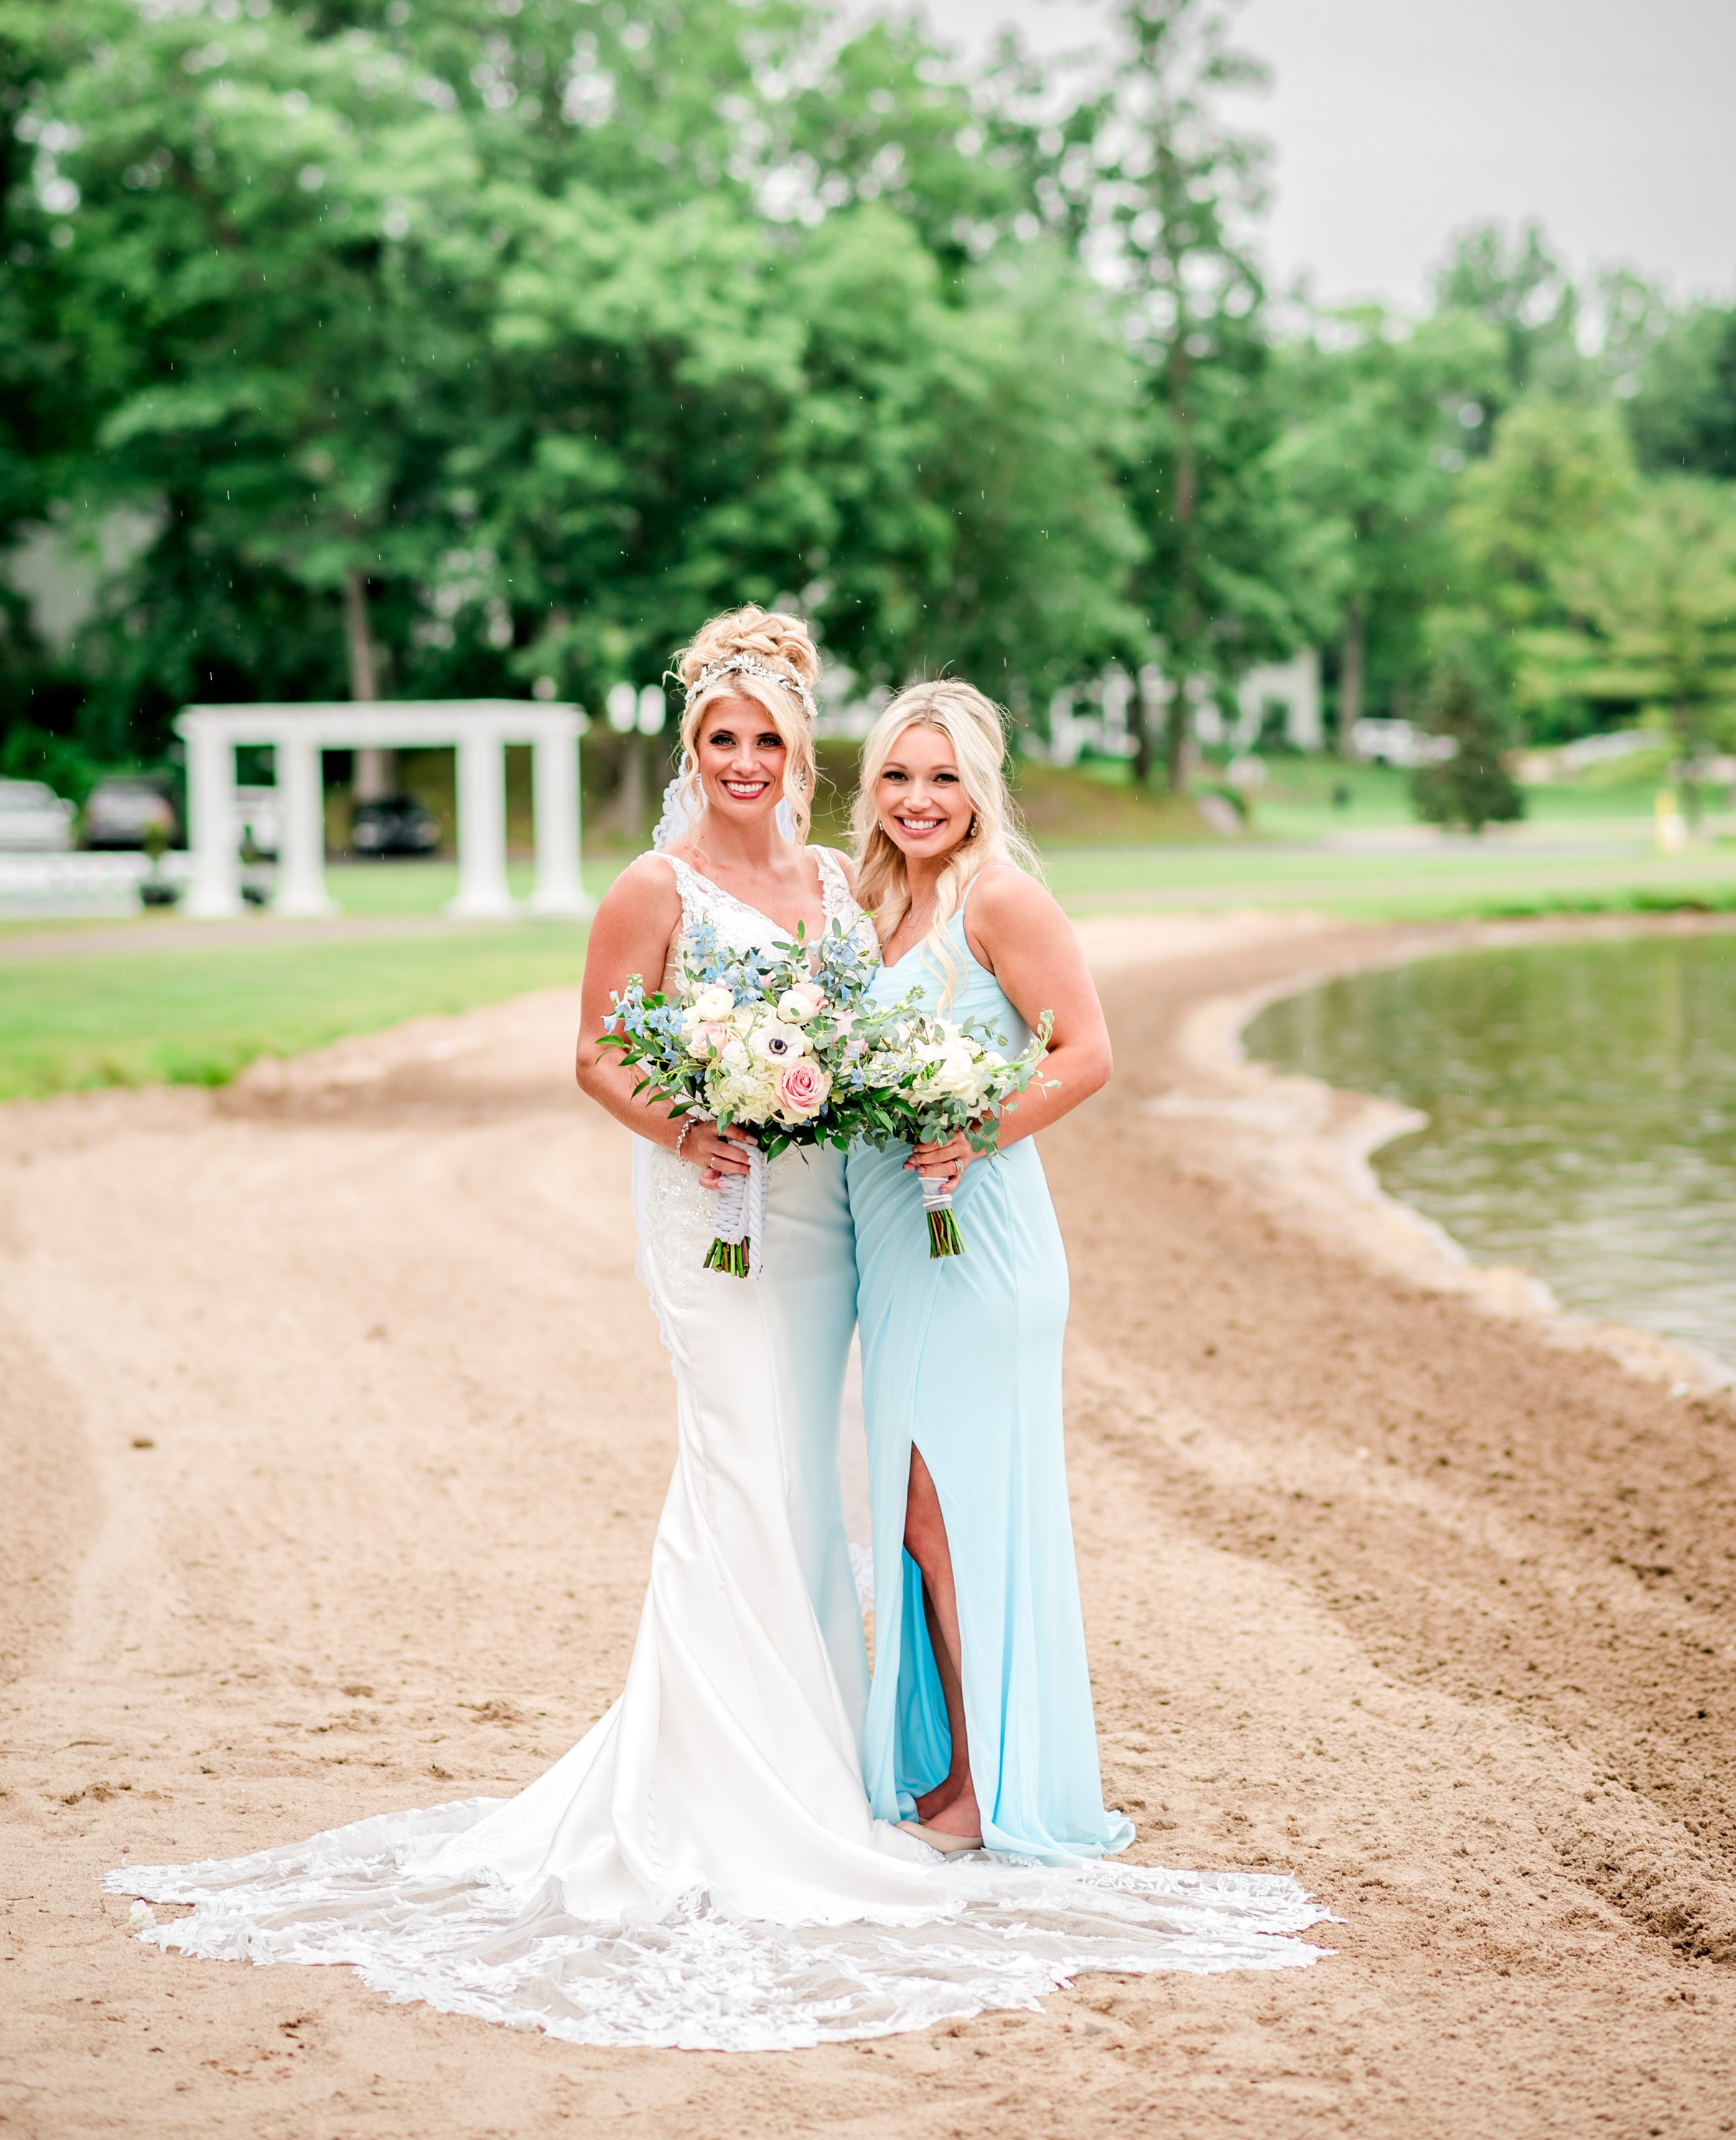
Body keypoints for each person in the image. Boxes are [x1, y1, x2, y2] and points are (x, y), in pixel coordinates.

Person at [108, 620, 1327, 2045]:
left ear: (802, 758)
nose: (744, 763)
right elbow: (594, 1049)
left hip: (832, 1227)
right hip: (715, 1213)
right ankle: (734, 1786)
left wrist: (933, 1111)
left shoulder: (836, 884)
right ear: (696, 753)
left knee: (815, 1484)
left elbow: (932, 1035)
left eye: (767, 741)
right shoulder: (653, 884)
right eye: (720, 740)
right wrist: (690, 1112)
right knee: (739, 1465)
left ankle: (842, 1771)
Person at [846, 679, 1131, 1861]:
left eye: (945, 777)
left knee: (946, 1513)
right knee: (920, 1518)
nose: (920, 799)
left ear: (981, 790)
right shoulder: (866, 905)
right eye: (900, 776)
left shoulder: (1002, 901)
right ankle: (959, 1771)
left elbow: (1090, 1051)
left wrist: (977, 1127)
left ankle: (981, 1793)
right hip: (896, 1245)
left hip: (976, 1239)